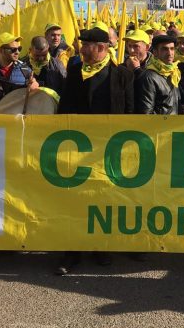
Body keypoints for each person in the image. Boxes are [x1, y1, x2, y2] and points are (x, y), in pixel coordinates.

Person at [56, 24, 135, 275]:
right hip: (77, 148)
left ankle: (101, 246)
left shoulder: (122, 75)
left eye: (86, 45)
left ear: (101, 48)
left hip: (107, 149)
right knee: (75, 200)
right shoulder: (75, 70)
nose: (81, 49)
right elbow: (65, 106)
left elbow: (131, 113)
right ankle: (72, 251)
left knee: (103, 200)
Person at [135, 34, 181, 115]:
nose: (170, 53)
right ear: (155, 52)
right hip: (160, 123)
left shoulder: (174, 72)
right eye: (165, 49)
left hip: (174, 122)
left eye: (172, 49)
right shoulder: (149, 77)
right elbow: (146, 113)